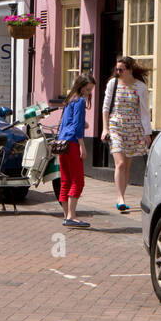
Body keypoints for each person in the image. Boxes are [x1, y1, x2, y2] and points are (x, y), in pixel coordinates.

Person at [102, 56, 151, 213]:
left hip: (133, 128)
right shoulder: (113, 84)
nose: (118, 72)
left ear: (129, 70)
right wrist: (105, 129)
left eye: (121, 70)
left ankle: (122, 195)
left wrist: (147, 133)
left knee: (127, 166)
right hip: (116, 125)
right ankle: (120, 198)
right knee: (120, 164)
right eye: (116, 69)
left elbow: (144, 112)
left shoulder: (140, 87)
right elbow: (105, 107)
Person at [58, 73, 95, 227]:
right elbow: (77, 127)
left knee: (65, 180)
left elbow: (68, 122)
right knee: (78, 181)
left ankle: (66, 215)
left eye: (90, 90)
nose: (88, 93)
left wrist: (83, 124)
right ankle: (72, 216)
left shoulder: (69, 100)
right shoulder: (79, 101)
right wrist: (82, 146)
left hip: (62, 143)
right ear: (81, 87)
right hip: (72, 143)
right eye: (87, 89)